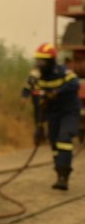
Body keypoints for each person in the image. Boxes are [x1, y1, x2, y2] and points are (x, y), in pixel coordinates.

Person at [21, 43, 80, 190]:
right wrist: (39, 126)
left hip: (69, 111)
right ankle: (59, 174)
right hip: (53, 112)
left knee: (64, 138)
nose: (39, 64)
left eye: (43, 61)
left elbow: (75, 84)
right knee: (53, 142)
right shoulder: (36, 77)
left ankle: (64, 176)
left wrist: (56, 92)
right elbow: (37, 102)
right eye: (38, 60)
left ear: (51, 61)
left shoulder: (62, 71)